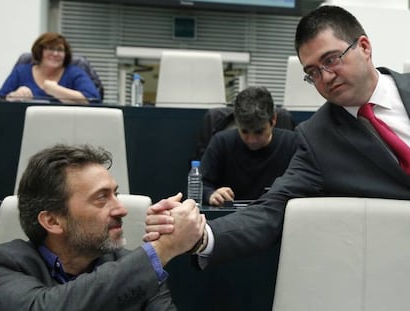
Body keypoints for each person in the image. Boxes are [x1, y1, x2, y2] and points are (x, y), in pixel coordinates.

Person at [144, 5, 410, 268]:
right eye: (313, 73)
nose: (325, 77)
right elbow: (271, 210)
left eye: (331, 60)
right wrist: (201, 236)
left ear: (364, 46)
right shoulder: (318, 138)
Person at [0, 144, 205, 310]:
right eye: (101, 198)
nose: (121, 209)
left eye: (115, 194)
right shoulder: (4, 265)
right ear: (52, 221)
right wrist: (162, 249)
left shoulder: (133, 267)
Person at [201, 86, 298, 206]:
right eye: (244, 131)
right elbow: (200, 185)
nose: (251, 140)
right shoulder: (221, 142)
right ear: (236, 122)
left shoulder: (293, 144)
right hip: (231, 218)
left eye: (259, 132)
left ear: (273, 120)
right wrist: (211, 194)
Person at [0, 32, 100, 104]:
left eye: (60, 50)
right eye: (50, 48)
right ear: (40, 51)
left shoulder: (75, 73)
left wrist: (56, 90)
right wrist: (14, 96)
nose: (55, 53)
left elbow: (93, 100)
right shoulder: (21, 72)